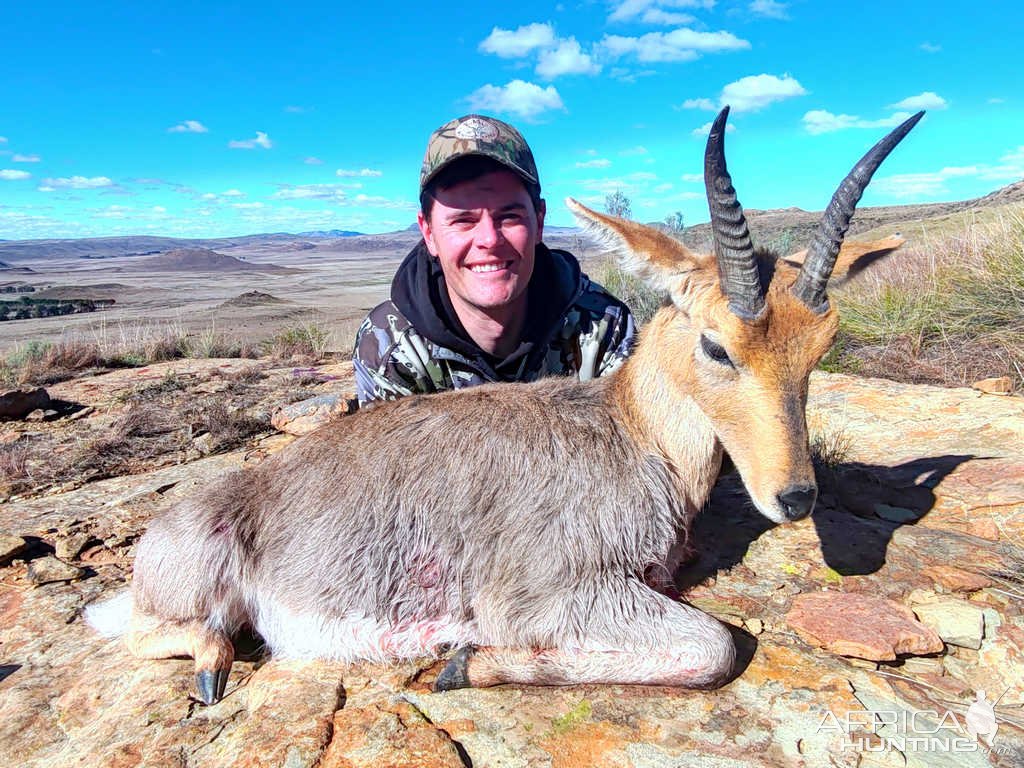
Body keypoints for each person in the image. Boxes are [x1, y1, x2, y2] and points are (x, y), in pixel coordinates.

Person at [352, 114, 636, 405]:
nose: (489, 239)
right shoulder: (390, 345)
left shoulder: (603, 325)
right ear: (429, 233)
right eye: (463, 220)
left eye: (509, 216)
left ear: (539, 221)